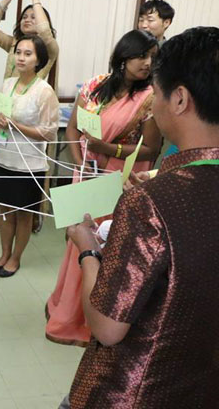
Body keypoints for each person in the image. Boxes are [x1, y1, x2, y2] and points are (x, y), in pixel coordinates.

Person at [63, 26, 219, 408]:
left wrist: (87, 249)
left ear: (179, 99)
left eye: (157, 92)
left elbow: (107, 327)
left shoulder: (148, 203)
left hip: (137, 390)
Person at [45, 29, 162, 346]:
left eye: (152, 57)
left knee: (108, 244)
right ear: (123, 57)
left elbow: (151, 149)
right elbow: (73, 129)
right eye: (142, 56)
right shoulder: (95, 85)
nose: (147, 63)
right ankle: (68, 309)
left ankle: (97, 318)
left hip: (120, 180)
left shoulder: (150, 97)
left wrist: (106, 149)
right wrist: (81, 163)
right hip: (87, 173)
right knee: (78, 240)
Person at [0, 0, 59, 232]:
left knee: (29, 168)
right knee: (1, 162)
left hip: (30, 113)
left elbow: (46, 33)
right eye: (25, 16)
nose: (27, 19)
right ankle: (4, 213)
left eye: (33, 17)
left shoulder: (48, 48)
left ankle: (31, 216)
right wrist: (6, 0)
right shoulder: (14, 45)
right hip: (6, 108)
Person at [0, 35, 59, 277]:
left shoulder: (44, 91)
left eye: (28, 54)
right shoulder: (7, 84)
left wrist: (15, 125)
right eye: (18, 52)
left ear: (39, 60)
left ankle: (15, 259)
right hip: (3, 159)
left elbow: (49, 133)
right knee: (5, 212)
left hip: (29, 165)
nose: (21, 58)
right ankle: (4, 254)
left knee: (24, 215)